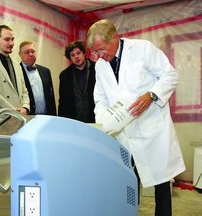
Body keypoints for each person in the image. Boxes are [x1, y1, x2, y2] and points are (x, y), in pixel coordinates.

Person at [86, 19, 186, 216]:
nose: (100, 56)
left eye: (102, 49)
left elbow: (170, 75)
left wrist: (151, 95)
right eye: (95, 52)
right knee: (127, 184)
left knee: (161, 184)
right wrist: (105, 120)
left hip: (151, 130)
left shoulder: (143, 49)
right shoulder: (100, 66)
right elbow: (100, 98)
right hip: (123, 133)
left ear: (115, 38)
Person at [0, 25, 30, 114]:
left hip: (21, 115)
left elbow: (24, 91)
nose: (11, 43)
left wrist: (25, 107)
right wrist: (14, 111)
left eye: (12, 39)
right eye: (7, 39)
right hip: (3, 116)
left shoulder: (17, 65)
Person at [58, 40, 96, 123]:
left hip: (95, 120)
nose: (76, 57)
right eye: (72, 55)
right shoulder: (64, 75)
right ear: (70, 58)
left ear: (84, 53)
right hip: (74, 122)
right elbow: (62, 103)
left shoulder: (97, 69)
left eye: (78, 53)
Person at [19, 40, 56, 115]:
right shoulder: (16, 71)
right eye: (26, 52)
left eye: (33, 51)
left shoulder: (46, 71)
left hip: (46, 117)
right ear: (20, 54)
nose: (30, 54)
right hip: (27, 117)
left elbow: (51, 98)